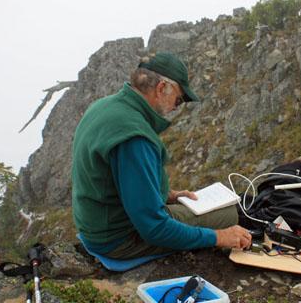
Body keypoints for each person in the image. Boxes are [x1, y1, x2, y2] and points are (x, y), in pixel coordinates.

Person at [72, 52, 252, 259]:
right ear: (161, 88)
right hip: (118, 239)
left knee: (207, 209)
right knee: (228, 214)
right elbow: (154, 228)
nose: (177, 106)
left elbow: (110, 181)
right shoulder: (135, 137)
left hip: (96, 226)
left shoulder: (104, 106)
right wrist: (218, 237)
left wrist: (168, 195)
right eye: (179, 99)